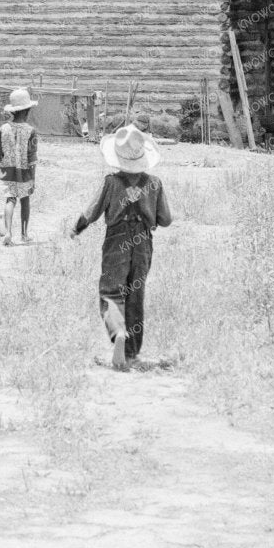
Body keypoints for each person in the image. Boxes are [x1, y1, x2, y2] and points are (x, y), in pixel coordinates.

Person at [72, 123, 172, 371]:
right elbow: (166, 220)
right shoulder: (155, 183)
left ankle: (118, 332)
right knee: (135, 294)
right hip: (143, 243)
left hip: (117, 240)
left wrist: (76, 228)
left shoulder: (112, 183)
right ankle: (131, 355)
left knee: (111, 291)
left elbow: (92, 211)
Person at [0, 86, 39, 246]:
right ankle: (24, 234)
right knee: (25, 201)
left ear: (13, 111)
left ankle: (7, 232)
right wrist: (33, 179)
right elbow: (32, 157)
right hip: (25, 172)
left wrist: (0, 168)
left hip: (7, 171)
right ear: (27, 111)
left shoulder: (3, 128)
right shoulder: (31, 131)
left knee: (10, 200)